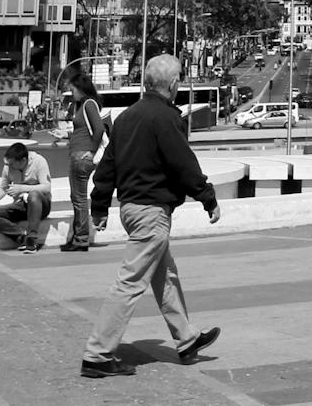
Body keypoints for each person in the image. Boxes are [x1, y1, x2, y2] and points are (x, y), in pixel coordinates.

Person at [80, 53, 222, 381]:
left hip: (131, 209)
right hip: (151, 213)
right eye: (180, 81)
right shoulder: (167, 118)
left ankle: (186, 339)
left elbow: (107, 167)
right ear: (173, 85)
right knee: (130, 283)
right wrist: (208, 198)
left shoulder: (126, 118)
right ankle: (98, 354)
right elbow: (182, 163)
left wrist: (100, 206)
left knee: (165, 275)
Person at [62, 75, 107, 252]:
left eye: (73, 90)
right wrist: (65, 136)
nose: (72, 94)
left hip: (82, 157)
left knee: (79, 199)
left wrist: (91, 152)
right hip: (77, 154)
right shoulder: (80, 106)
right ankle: (78, 237)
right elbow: (82, 131)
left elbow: (99, 128)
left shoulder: (89, 104)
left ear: (81, 88)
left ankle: (80, 239)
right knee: (76, 198)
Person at [0, 142, 54, 253]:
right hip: (21, 205)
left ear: (22, 160)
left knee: (34, 195)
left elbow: (46, 187)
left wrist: (22, 188)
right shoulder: (8, 167)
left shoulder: (39, 161)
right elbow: (3, 188)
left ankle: (32, 239)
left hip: (40, 205)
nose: (9, 167)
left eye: (12, 164)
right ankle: (21, 237)